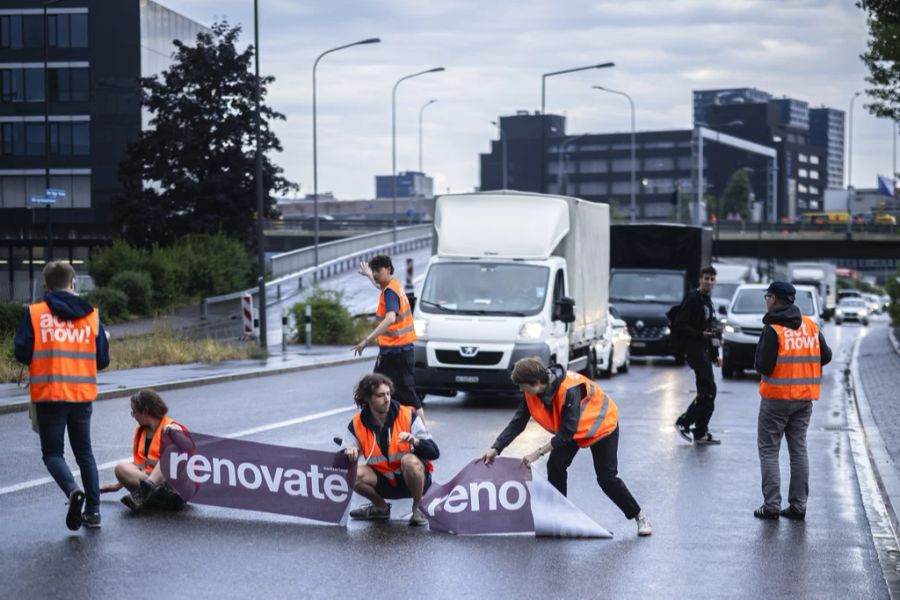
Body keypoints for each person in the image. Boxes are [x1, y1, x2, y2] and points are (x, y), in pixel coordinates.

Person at [482, 358, 652, 537]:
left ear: (537, 383)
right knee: (555, 464)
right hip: (572, 429)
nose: (520, 390)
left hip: (601, 426)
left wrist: (537, 453)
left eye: (523, 386)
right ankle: (559, 517)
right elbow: (518, 422)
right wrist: (496, 448)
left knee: (607, 479)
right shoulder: (531, 393)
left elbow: (567, 434)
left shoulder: (569, 390)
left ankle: (639, 516)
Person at [14, 261, 110, 530]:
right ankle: (93, 512)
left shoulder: (35, 314)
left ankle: (71, 490)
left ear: (46, 285)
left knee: (53, 453)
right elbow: (102, 359)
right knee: (85, 454)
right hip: (81, 395)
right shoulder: (91, 315)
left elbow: (21, 352)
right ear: (73, 283)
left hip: (49, 395)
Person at [753, 281, 831, 520]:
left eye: (768, 296)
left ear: (775, 299)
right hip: (804, 399)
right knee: (798, 450)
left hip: (776, 399)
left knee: (769, 451)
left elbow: (763, 365)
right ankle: (798, 506)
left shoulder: (773, 329)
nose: (766, 300)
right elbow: (826, 356)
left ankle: (772, 506)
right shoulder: (810, 325)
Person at [341, 373, 439, 526]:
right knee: (352, 473)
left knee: (409, 461)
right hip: (384, 483)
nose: (387, 399)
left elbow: (434, 452)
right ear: (368, 398)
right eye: (380, 395)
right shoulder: (357, 423)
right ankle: (380, 507)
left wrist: (415, 441)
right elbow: (341, 461)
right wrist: (349, 452)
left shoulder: (407, 415)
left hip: (414, 480)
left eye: (388, 394)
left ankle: (418, 508)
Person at [352, 255, 421, 416]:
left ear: (388, 269)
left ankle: (425, 437)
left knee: (407, 396)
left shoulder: (390, 291)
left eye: (377, 270)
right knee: (373, 389)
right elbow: (379, 286)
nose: (375, 274)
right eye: (373, 270)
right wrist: (369, 275)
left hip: (398, 352)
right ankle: (365, 432)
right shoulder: (393, 285)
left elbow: (390, 318)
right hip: (392, 351)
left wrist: (366, 340)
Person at [100, 389, 190, 512]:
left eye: (134, 412)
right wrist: (115, 486)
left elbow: (188, 446)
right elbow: (141, 465)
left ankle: (153, 493)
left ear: (145, 411)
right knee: (120, 468)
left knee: (172, 450)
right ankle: (160, 497)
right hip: (153, 482)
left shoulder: (171, 426)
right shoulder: (140, 432)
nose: (133, 416)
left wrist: (175, 433)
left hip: (174, 483)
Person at [673, 266, 722, 444]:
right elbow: (680, 324)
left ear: (714, 282)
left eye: (712, 279)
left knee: (709, 391)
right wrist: (700, 335)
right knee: (708, 390)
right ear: (700, 280)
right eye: (706, 278)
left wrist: (716, 353)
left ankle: (700, 432)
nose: (708, 282)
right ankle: (684, 422)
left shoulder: (708, 301)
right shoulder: (693, 299)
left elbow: (711, 329)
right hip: (694, 350)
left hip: (705, 350)